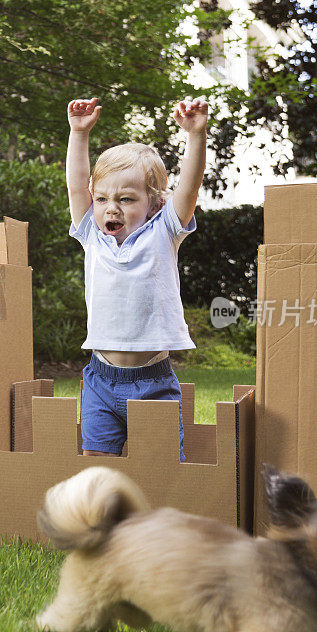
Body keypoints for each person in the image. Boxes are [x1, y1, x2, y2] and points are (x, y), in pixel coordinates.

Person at [66, 96, 207, 458]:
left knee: (161, 471)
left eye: (126, 199)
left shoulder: (164, 231)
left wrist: (195, 135)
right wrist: (79, 134)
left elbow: (188, 190)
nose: (111, 207)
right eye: (102, 199)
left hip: (153, 381)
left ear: (155, 203)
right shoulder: (91, 235)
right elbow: (77, 186)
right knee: (96, 468)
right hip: (100, 379)